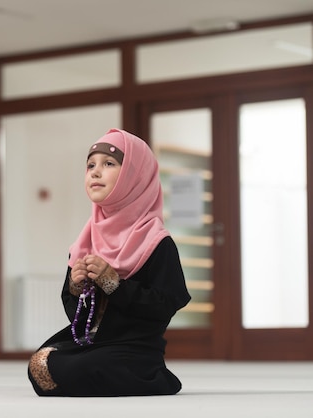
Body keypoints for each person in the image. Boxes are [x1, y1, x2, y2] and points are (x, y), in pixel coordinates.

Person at [27, 128, 191, 397]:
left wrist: (114, 284)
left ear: (133, 176)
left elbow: (166, 305)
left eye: (109, 164)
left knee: (87, 367)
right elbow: (76, 317)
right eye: (90, 165)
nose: (95, 172)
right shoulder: (86, 239)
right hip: (92, 342)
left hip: (135, 347)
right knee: (41, 363)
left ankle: (153, 376)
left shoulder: (156, 241)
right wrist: (76, 288)